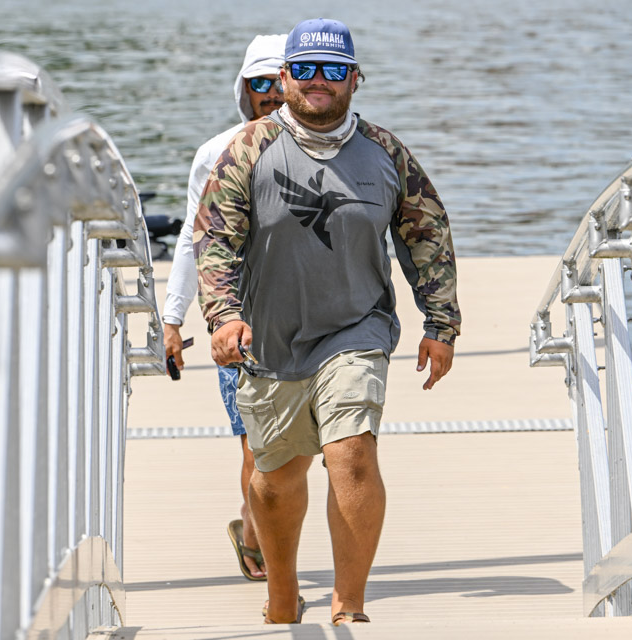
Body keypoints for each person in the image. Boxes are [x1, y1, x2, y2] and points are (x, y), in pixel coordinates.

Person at [193, 18, 460, 626]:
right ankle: (282, 591)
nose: (320, 81)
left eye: (334, 70)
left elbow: (428, 236)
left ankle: (349, 603)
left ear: (355, 79)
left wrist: (440, 323)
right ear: (284, 78)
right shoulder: (249, 148)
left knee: (352, 451)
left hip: (357, 328)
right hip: (270, 339)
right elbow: (215, 241)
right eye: (307, 69)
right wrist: (223, 316)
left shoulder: (386, 152)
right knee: (276, 477)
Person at [163, 33, 288, 582]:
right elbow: (193, 240)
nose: (270, 94)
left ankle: (253, 527)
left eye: (278, 80)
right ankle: (265, 551)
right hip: (239, 322)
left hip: (310, 320)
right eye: (258, 83)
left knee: (307, 451)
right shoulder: (215, 153)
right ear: (244, 89)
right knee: (258, 449)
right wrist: (172, 320)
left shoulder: (330, 149)